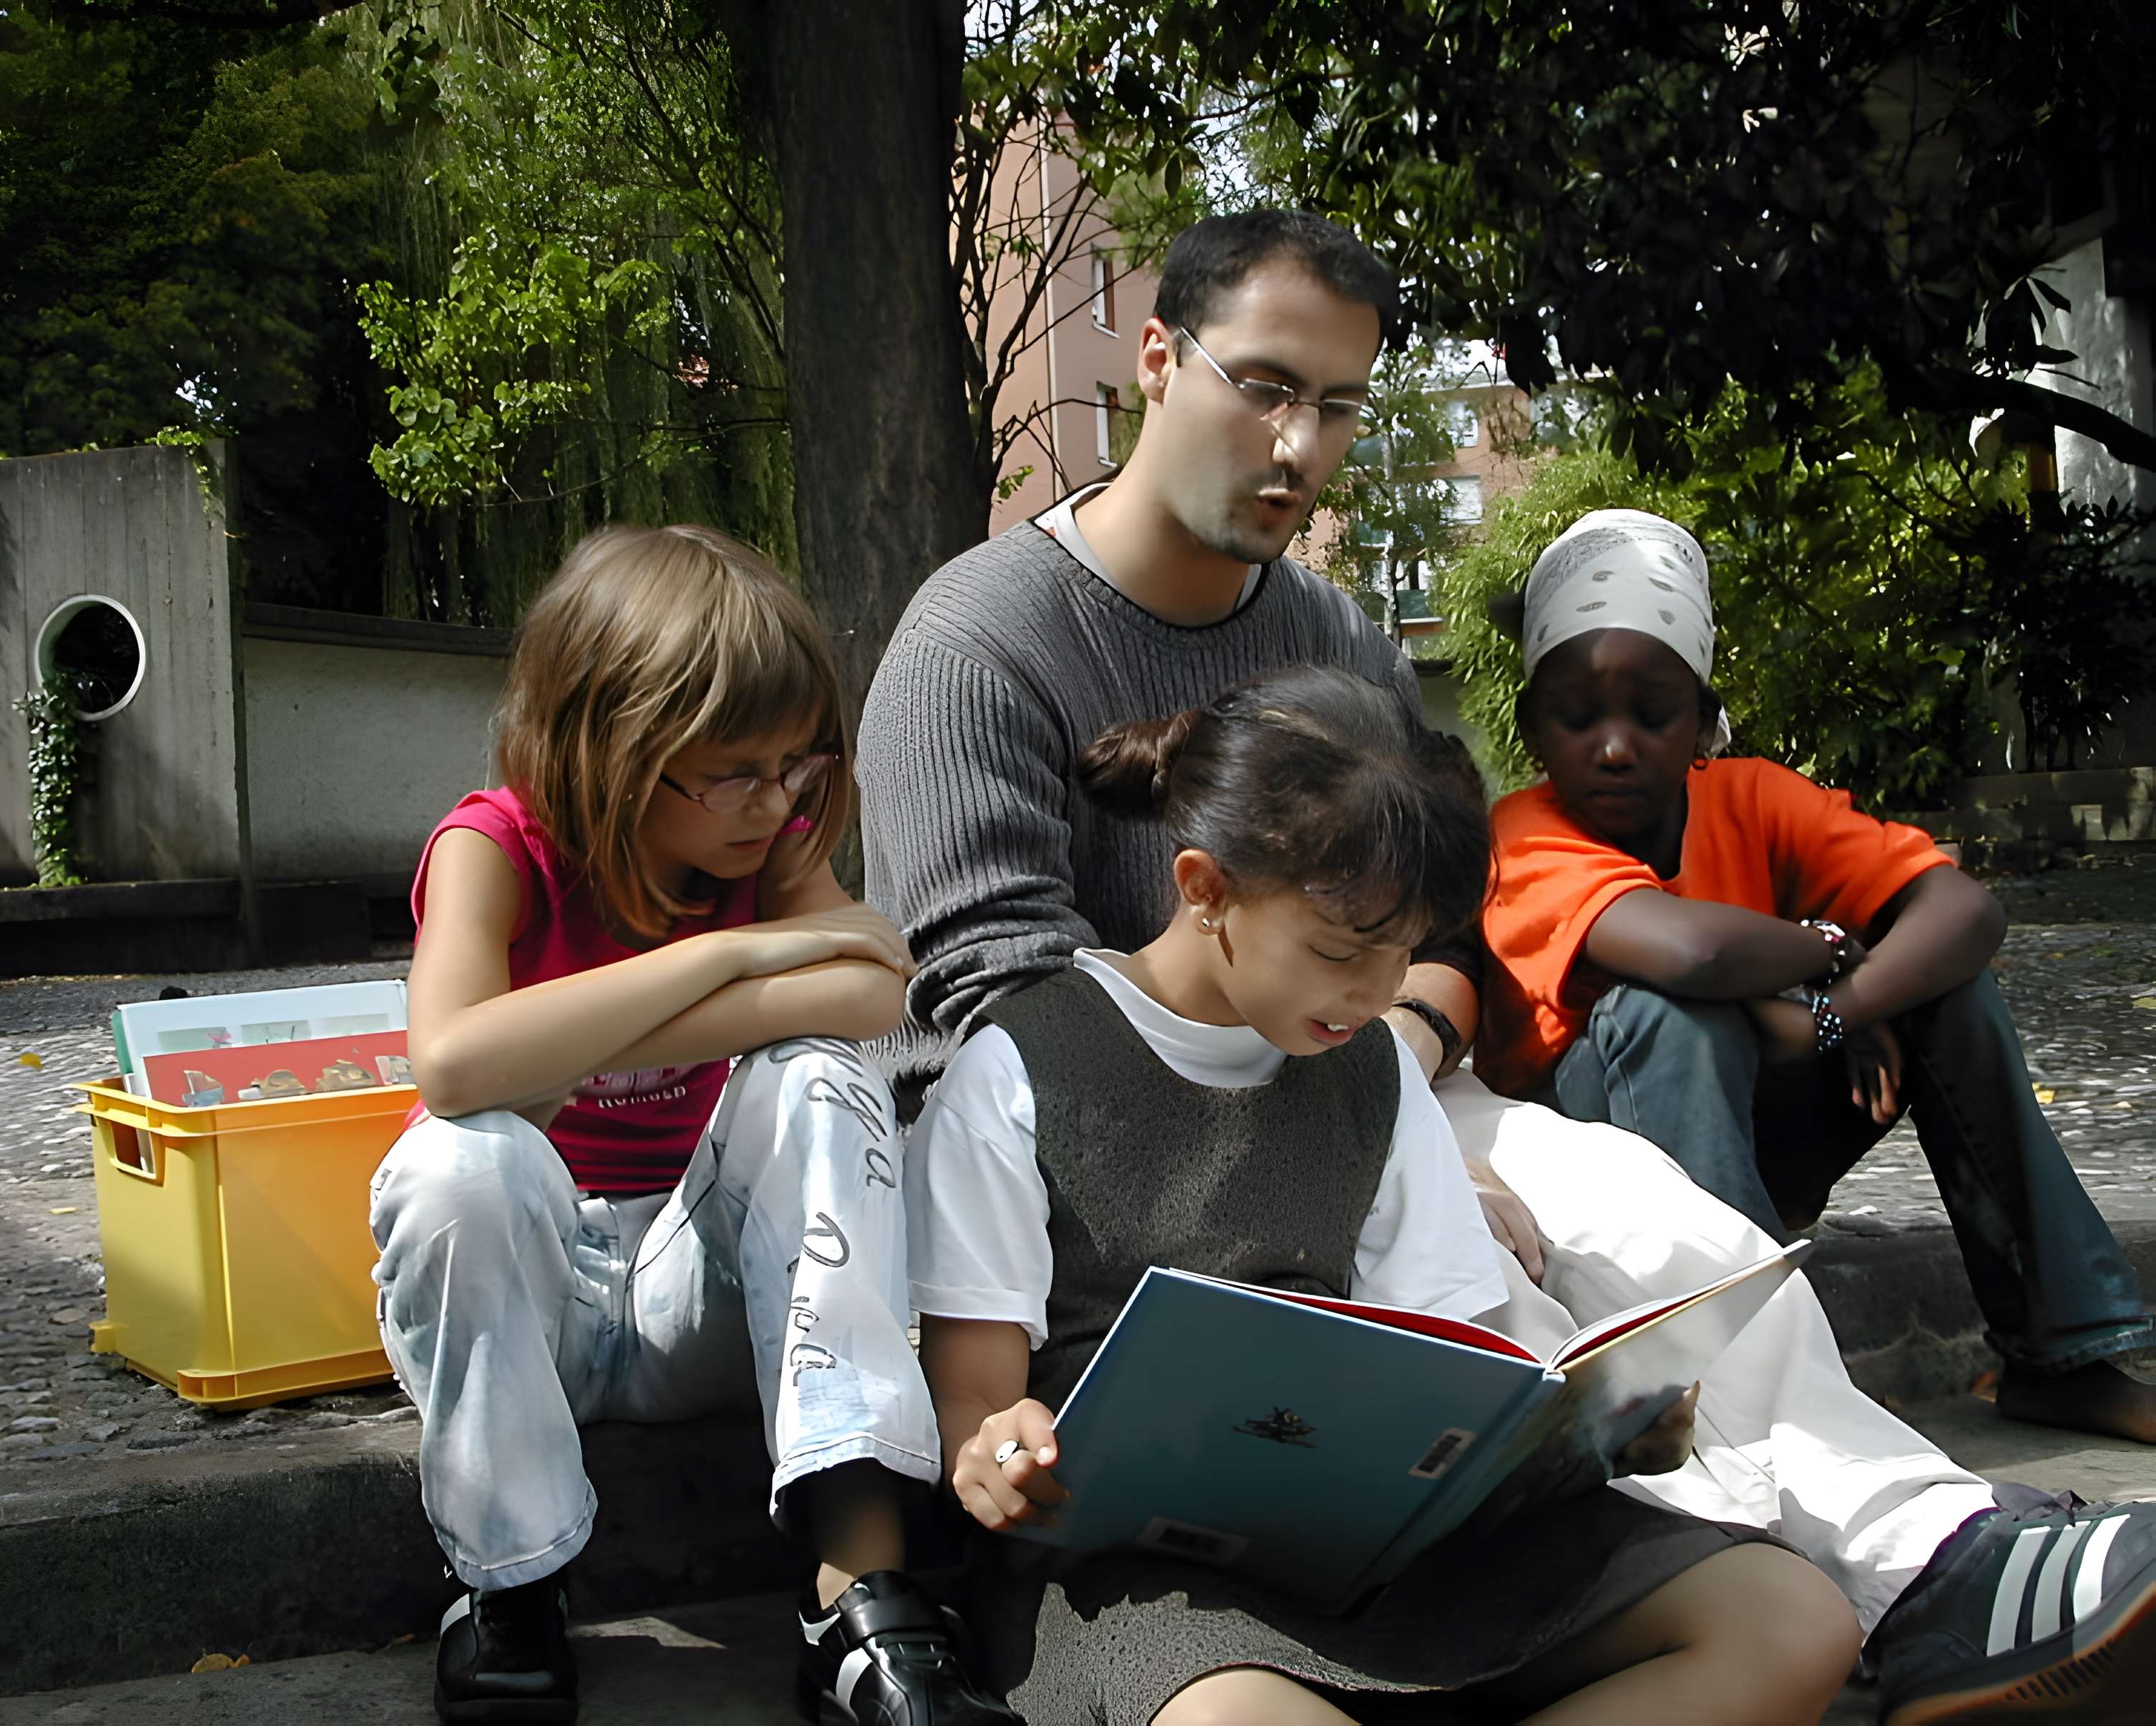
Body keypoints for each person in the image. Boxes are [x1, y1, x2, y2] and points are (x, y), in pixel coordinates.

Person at [861, 211, 2156, 1722]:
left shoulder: (1332, 635)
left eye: (1340, 405)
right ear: (1159, 360)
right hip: (1113, 1120)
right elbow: (984, 992)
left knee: (1628, 1214)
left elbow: (1451, 935)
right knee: (1469, 1262)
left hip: (1353, 1053)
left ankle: (1928, 1561)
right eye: (1264, 386)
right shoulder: (980, 643)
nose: (1300, 442)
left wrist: (1384, 1092)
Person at [910, 666, 1865, 1725]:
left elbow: (1450, 1363)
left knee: (1791, 1618)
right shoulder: (1020, 1073)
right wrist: (1004, 1456)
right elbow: (977, 1413)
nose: (1376, 993)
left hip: (1377, 1548)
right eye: (1340, 950)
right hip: (1139, 1582)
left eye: (1405, 950)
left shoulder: (1374, 1069)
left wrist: (1597, 1431)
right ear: (1204, 887)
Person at [373, 525, 1018, 1725]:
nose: (774, 803)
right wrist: (734, 951)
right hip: (537, 1290)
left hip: (695, 1290)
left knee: (827, 1082)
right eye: (733, 772)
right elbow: (456, 1064)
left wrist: (567, 1037)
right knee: (457, 1161)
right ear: (607, 751)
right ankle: (508, 1583)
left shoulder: (759, 841)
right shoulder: (493, 848)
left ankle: (858, 1586)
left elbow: (875, 988)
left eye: (796, 767)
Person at [1475, 506, 2156, 1450]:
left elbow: (1963, 913)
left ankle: (2063, 1358)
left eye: (1653, 712)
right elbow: (1691, 956)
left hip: (1750, 1140)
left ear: (1704, 720)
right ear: (1531, 726)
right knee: (1668, 1014)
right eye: (1577, 716)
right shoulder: (1522, 835)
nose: (1616, 745)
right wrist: (1832, 946)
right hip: (1590, 1185)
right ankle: (1761, 1388)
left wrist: (1837, 1012)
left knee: (1947, 993)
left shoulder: (1752, 798)